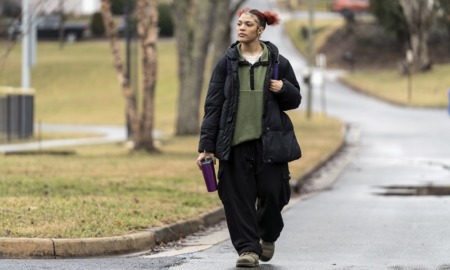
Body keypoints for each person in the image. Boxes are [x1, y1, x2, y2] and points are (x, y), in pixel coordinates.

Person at [196, 7, 302, 268]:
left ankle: (267, 234)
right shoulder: (227, 63)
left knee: (274, 194)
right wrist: (206, 147)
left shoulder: (278, 63)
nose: (241, 28)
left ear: (261, 30)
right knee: (236, 198)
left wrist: (283, 88)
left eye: (248, 24)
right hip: (234, 144)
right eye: (239, 24)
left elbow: (295, 99)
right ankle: (247, 249)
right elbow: (213, 106)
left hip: (270, 143)